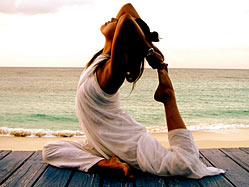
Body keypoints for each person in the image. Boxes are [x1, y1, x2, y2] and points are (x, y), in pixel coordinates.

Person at [42, 3, 224, 179]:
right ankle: (103, 163)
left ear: (122, 38)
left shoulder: (111, 71)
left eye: (115, 22)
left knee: (186, 164)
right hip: (102, 146)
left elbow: (127, 20)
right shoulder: (99, 59)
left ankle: (168, 96)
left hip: (129, 145)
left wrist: (149, 52)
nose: (114, 17)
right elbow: (127, 8)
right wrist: (149, 45)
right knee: (50, 150)